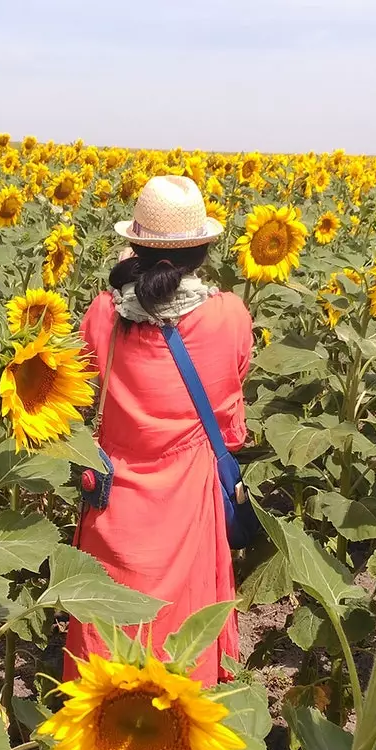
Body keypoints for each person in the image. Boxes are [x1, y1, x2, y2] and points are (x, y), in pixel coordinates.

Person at [66, 175, 252, 686]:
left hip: (116, 499)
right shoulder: (229, 316)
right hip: (188, 501)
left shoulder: (104, 313)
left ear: (136, 244)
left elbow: (82, 388)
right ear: (205, 250)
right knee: (183, 635)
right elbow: (230, 417)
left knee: (108, 627)